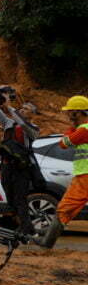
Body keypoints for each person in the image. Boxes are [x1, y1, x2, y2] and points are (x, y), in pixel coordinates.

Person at [0, 86, 42, 238]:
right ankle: (26, 228)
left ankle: (25, 228)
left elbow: (24, 125)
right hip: (6, 166)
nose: (23, 110)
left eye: (27, 109)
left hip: (21, 168)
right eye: (22, 108)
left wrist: (9, 108)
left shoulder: (33, 128)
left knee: (20, 198)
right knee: (10, 199)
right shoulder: (8, 123)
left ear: (32, 115)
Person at [54, 96, 88, 234]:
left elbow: (63, 143)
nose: (68, 114)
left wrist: (71, 127)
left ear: (77, 112)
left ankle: (47, 242)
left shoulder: (84, 129)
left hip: (85, 175)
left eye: (70, 111)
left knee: (65, 208)